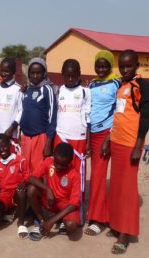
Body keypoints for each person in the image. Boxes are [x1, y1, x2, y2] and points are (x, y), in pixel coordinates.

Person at [102, 50, 149, 254]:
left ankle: (125, 234)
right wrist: (107, 139)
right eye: (121, 66)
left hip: (131, 144)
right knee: (117, 186)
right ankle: (116, 224)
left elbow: (146, 117)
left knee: (128, 190)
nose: (125, 69)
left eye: (129, 66)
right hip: (117, 142)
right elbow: (118, 115)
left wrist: (139, 145)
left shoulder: (143, 85)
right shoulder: (121, 85)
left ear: (136, 66)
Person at [85, 50, 120, 236]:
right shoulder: (91, 84)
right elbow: (89, 113)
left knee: (113, 178)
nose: (101, 69)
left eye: (105, 65)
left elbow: (119, 113)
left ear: (110, 66)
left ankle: (101, 219)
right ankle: (98, 216)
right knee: (97, 178)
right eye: (98, 65)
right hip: (95, 134)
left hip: (109, 134)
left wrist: (108, 138)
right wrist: (89, 140)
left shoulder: (116, 83)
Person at [54, 59, 91, 207]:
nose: (70, 79)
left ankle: (76, 204)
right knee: (61, 170)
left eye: (73, 75)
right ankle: (60, 203)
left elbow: (88, 117)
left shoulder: (85, 92)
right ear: (62, 75)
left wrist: (88, 141)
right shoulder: (58, 91)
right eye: (67, 75)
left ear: (79, 74)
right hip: (61, 136)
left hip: (79, 138)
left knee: (77, 173)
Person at [27, 142, 81, 241]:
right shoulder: (48, 161)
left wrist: (52, 221)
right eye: (56, 163)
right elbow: (31, 178)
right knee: (31, 189)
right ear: (53, 157)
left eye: (63, 165)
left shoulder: (75, 175)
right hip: (50, 201)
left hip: (65, 205)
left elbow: (73, 204)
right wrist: (47, 189)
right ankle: (42, 221)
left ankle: (60, 220)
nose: (58, 167)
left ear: (70, 162)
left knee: (71, 226)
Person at [19, 57, 57, 173]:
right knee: (25, 170)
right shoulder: (26, 89)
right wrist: (20, 134)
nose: (35, 76)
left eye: (38, 73)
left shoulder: (47, 90)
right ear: (28, 74)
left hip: (40, 138)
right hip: (26, 137)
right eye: (32, 73)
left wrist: (48, 143)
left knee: (38, 172)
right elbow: (22, 112)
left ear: (44, 73)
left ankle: (39, 192)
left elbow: (52, 117)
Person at [0, 134, 29, 238]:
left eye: (4, 145)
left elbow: (27, 176)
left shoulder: (20, 160)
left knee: (20, 191)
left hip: (18, 193)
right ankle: (10, 212)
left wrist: (24, 183)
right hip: (4, 195)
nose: (2, 149)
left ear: (10, 144)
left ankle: (20, 223)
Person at [0, 57, 23, 160]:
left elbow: (21, 111)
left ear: (13, 72)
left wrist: (12, 128)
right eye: (2, 71)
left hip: (10, 136)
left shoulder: (18, 89)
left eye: (7, 71)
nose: (4, 74)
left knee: (10, 166)